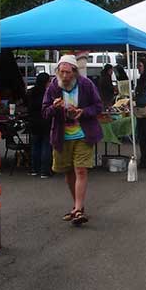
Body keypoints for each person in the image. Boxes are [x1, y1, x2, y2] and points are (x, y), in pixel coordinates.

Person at [42, 55, 103, 226]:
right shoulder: (53, 86)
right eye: (61, 72)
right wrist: (54, 107)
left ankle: (77, 209)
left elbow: (98, 106)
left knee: (81, 170)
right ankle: (78, 205)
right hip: (62, 136)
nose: (64, 76)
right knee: (68, 173)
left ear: (75, 72)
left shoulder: (86, 85)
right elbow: (44, 112)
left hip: (83, 134)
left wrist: (83, 111)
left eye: (68, 72)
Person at [28, 72, 52, 178]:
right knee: (46, 147)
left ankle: (34, 169)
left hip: (34, 122)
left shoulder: (31, 92)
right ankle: (44, 171)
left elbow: (27, 106)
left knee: (35, 146)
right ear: (46, 82)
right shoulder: (49, 93)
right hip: (46, 122)